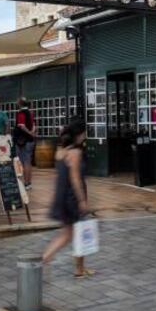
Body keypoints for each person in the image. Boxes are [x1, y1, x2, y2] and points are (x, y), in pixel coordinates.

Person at [42, 118, 93, 278]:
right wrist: (82, 201)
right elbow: (75, 178)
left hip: (63, 197)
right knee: (76, 233)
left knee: (69, 234)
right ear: (79, 134)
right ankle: (47, 261)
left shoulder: (61, 151)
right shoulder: (75, 153)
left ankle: (76, 267)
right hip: (73, 198)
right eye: (84, 133)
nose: (85, 136)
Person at [14, 97, 36, 190]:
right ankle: (28, 183)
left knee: (21, 162)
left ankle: (23, 182)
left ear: (20, 104)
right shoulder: (31, 112)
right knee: (28, 162)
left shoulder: (20, 113)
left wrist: (29, 132)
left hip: (22, 141)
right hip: (30, 141)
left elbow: (21, 126)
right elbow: (34, 125)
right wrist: (32, 133)